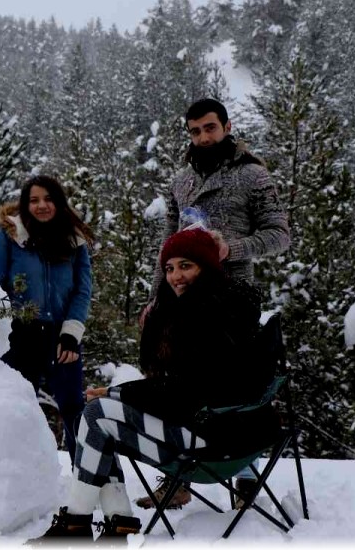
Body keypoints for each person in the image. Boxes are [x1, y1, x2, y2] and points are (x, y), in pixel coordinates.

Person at [32, 228, 281, 543]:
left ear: (207, 266)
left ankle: (80, 526)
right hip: (220, 429)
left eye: (186, 265)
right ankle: (107, 525)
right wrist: (119, 395)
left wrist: (118, 393)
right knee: (98, 418)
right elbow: (183, 388)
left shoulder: (210, 316)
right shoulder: (213, 307)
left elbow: (183, 392)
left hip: (213, 442)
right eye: (169, 268)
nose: (176, 276)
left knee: (96, 417)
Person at [142, 97, 290, 510]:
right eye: (195, 131)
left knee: (233, 385)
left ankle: (245, 476)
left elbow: (280, 235)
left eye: (210, 128)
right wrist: (156, 299)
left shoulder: (252, 175)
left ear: (226, 126)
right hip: (181, 297)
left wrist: (233, 249)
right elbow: (166, 246)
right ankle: (178, 476)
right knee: (176, 385)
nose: (203, 137)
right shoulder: (180, 180)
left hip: (231, 300)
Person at [0, 175, 94, 464]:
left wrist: (71, 334)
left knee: (74, 409)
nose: (41, 205)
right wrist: (4, 324)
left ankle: (90, 481)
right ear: (25, 204)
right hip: (21, 335)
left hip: (62, 337)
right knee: (14, 408)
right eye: (34, 200)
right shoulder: (11, 235)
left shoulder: (75, 239)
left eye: (48, 199)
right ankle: (10, 477)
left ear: (58, 203)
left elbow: (82, 291)